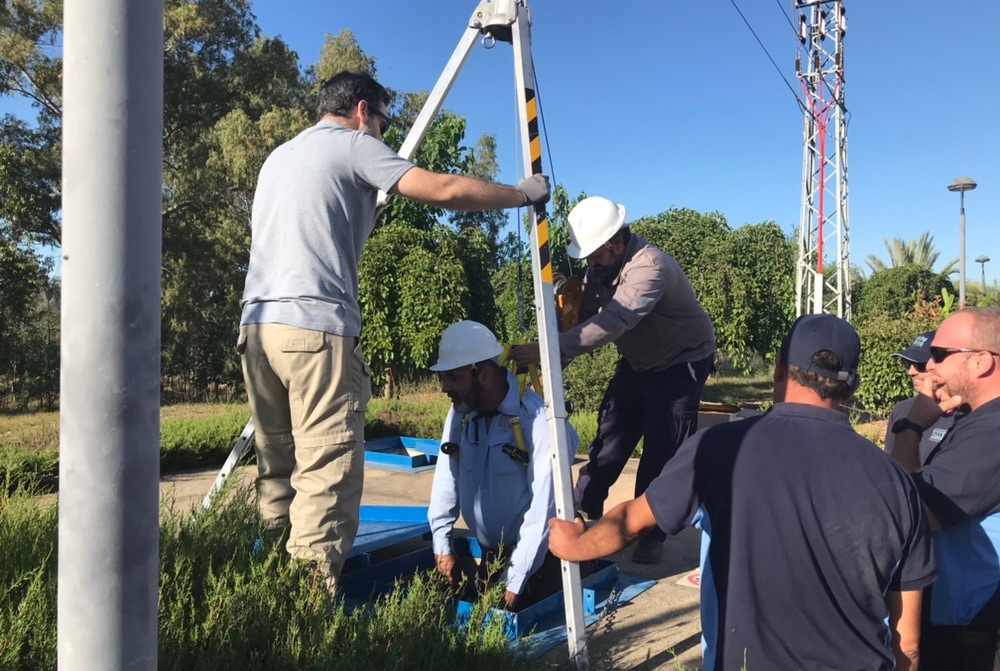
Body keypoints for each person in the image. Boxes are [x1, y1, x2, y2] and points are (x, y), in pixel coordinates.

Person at [237, 71, 551, 588]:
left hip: (257, 328)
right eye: (383, 121)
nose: (382, 131)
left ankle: (269, 590)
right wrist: (519, 196)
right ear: (363, 112)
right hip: (314, 329)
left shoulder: (280, 157)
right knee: (325, 474)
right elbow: (443, 189)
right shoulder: (352, 146)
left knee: (278, 467)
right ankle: (304, 617)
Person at [549, 314, 937, 671]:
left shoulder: (720, 448)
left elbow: (632, 522)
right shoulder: (897, 482)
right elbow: (910, 644)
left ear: (779, 368)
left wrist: (573, 546)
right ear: (853, 386)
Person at [511, 196, 716, 563]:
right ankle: (584, 504)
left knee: (661, 446)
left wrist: (547, 349)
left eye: (593, 255)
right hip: (638, 362)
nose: (588, 263)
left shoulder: (649, 269)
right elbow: (584, 317)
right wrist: (554, 358)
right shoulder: (600, 271)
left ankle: (651, 533)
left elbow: (612, 322)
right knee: (612, 431)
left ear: (616, 244)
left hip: (680, 363)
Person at [427, 321, 579, 610]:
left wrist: (516, 579)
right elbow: (446, 478)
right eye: (443, 378)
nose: (445, 388)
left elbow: (543, 509)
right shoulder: (461, 415)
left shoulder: (536, 421)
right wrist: (443, 545)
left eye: (453, 378)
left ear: (483, 375)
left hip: (536, 564)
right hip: (491, 559)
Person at [889, 308, 1000, 670]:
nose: (927, 366)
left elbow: (914, 513)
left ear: (982, 361)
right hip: (950, 619)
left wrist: (910, 428)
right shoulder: (973, 417)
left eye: (939, 355)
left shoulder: (993, 431)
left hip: (967, 632)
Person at [885, 330, 963, 465]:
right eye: (906, 363)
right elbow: (891, 466)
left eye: (920, 365)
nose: (911, 372)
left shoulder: (963, 414)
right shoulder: (902, 410)